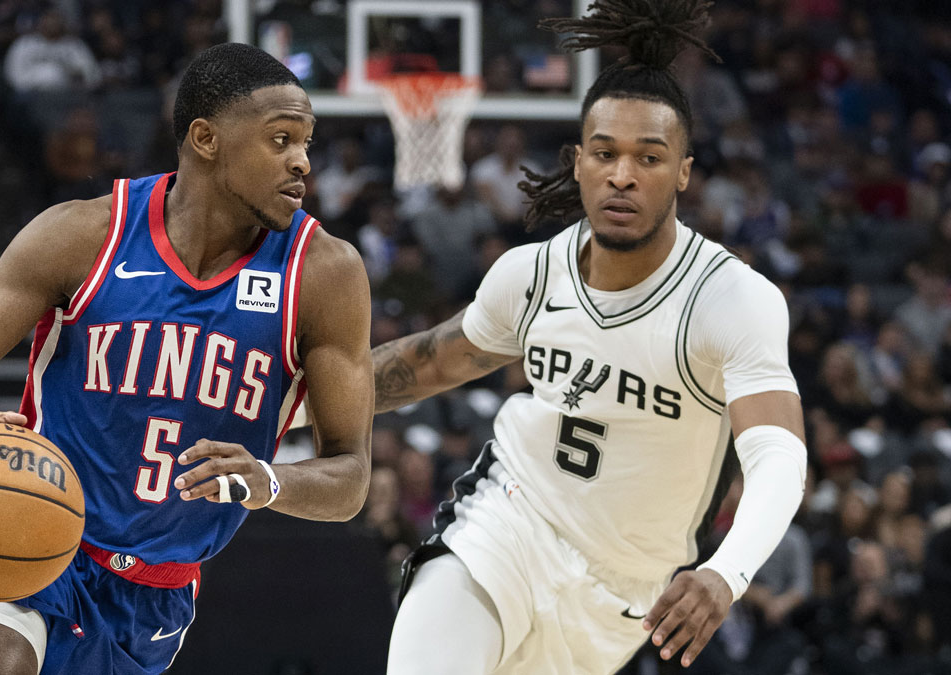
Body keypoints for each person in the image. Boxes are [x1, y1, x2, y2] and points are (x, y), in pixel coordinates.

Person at [321, 2, 806, 673]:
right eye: (605, 153)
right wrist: (296, 397)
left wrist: (729, 571)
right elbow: (433, 361)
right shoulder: (531, 272)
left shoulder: (729, 299)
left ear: (685, 172)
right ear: (577, 162)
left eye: (649, 156)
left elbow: (779, 456)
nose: (623, 174)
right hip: (506, 527)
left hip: (622, 598)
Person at [0, 42, 373, 675]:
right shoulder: (85, 234)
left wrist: (270, 480)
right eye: (280, 140)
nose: (302, 162)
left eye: (306, 142)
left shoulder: (323, 274)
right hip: (27, 525)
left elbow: (350, 477)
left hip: (155, 594)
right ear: (205, 139)